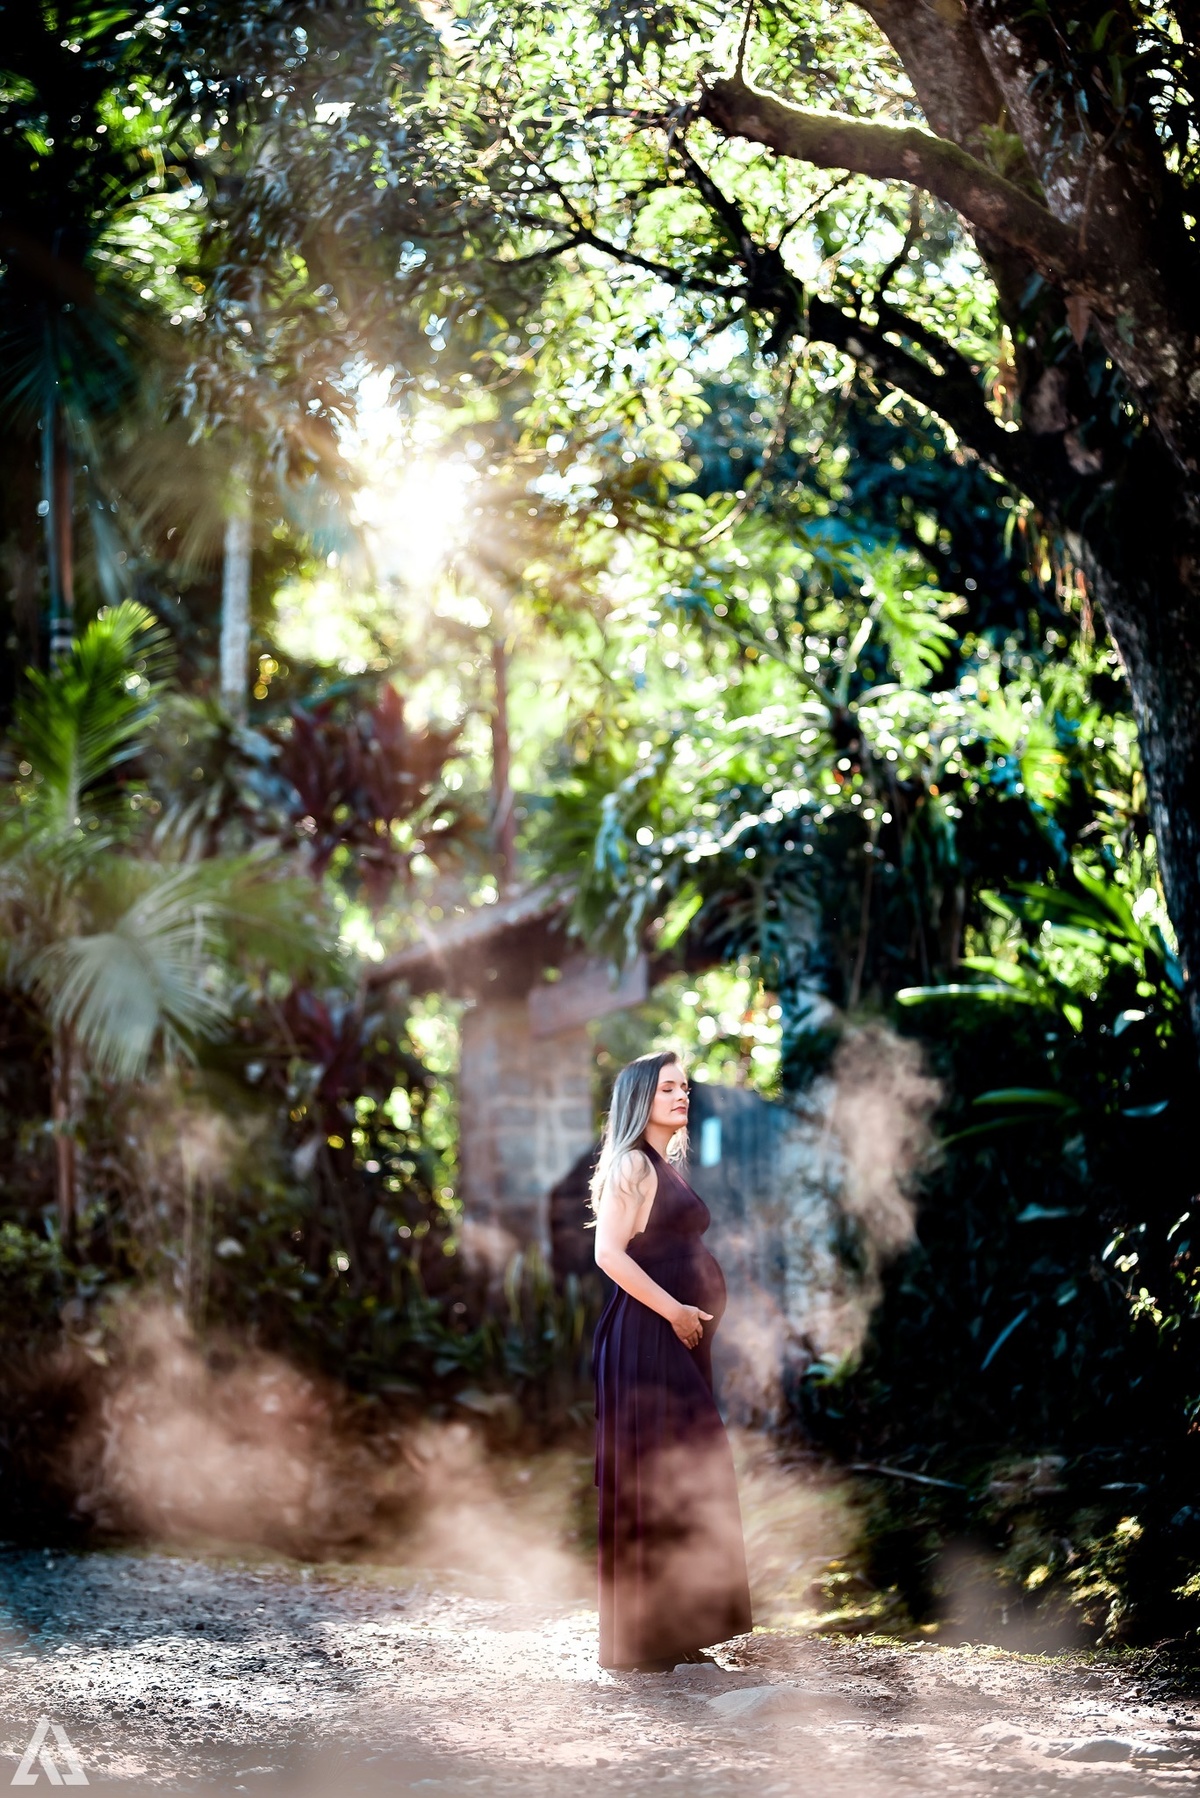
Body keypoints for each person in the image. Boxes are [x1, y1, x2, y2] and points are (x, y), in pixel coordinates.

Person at [591, 1049, 752, 1671]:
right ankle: (649, 1639)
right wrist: (676, 1312)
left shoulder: (664, 1164)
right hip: (647, 1337)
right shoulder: (634, 1163)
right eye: (667, 1088)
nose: (682, 1096)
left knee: (684, 1473)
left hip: (671, 1339)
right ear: (640, 1098)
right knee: (663, 1474)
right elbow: (609, 1254)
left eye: (684, 1087)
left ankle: (675, 1630)